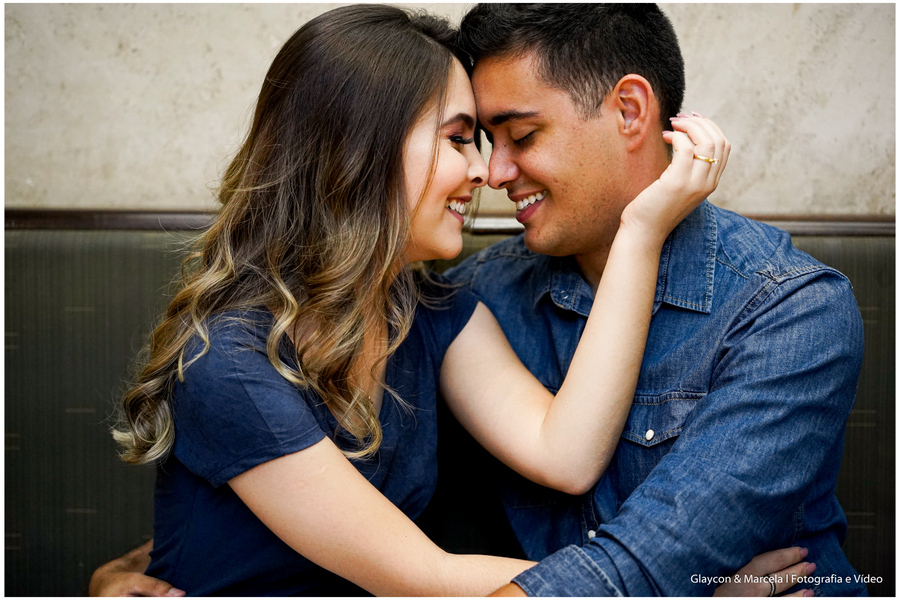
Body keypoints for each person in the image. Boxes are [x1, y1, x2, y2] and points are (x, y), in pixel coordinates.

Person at [90, 5, 811, 597]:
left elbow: (566, 453)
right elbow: (423, 576)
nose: (484, 173)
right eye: (461, 140)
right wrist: (681, 593)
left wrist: (642, 229)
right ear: (356, 150)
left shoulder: (429, 311)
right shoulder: (229, 362)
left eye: (505, 138)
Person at [436, 3, 865, 597]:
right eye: (487, 140)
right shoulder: (475, 298)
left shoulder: (789, 309)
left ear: (630, 111)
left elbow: (657, 556)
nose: (495, 170)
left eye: (523, 135)